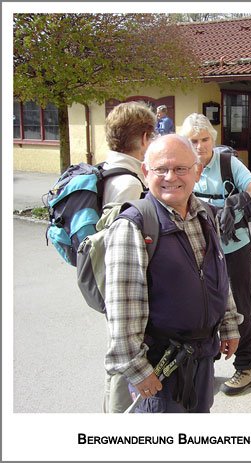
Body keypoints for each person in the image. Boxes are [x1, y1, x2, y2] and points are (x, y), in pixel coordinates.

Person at [103, 134, 242, 413]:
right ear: (145, 172)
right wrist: (136, 368)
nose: (171, 177)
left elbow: (217, 276)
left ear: (197, 171)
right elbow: (122, 306)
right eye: (161, 169)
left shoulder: (205, 215)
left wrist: (228, 324)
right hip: (159, 366)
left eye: (181, 168)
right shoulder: (134, 226)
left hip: (201, 357)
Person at [179, 113, 251, 396]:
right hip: (197, 251)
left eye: (205, 139)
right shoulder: (183, 166)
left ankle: (246, 367)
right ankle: (205, 365)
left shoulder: (228, 163)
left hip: (234, 251)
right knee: (201, 310)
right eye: (194, 140)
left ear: (212, 140)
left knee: (239, 310)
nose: (200, 146)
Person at [101, 100, 157, 413]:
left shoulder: (109, 170)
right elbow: (122, 251)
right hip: (123, 290)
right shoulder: (128, 184)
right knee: (125, 360)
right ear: (146, 139)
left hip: (110, 287)